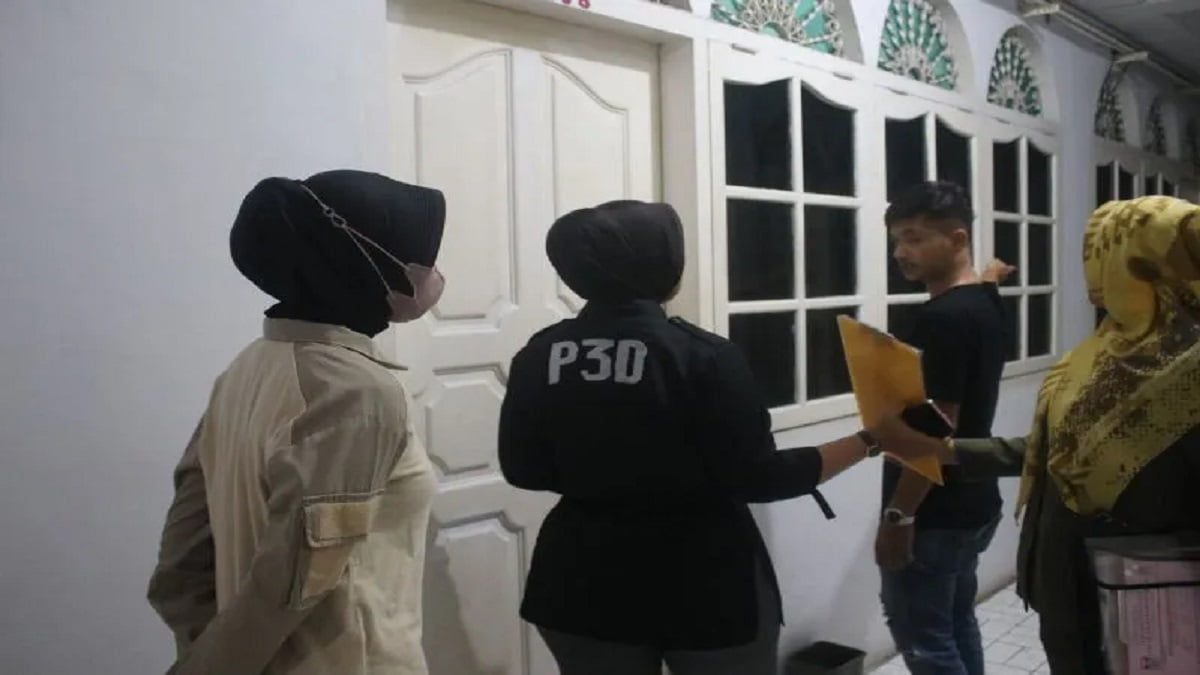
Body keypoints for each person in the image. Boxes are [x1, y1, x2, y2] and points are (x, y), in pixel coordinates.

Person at [498, 200, 947, 675]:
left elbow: (523, 470)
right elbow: (762, 477)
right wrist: (873, 438)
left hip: (579, 576)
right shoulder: (704, 356)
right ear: (661, 264)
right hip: (703, 579)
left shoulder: (539, 354)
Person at [147, 170, 446, 674]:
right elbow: (291, 582)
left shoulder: (248, 367)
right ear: (363, 264)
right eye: (424, 258)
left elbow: (182, 559)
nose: (435, 274)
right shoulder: (354, 392)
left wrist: (202, 650)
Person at [945, 196, 1200, 674]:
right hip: (1067, 591)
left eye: (1104, 261)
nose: (1092, 287)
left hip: (1152, 617)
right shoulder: (1098, 356)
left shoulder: (1190, 375)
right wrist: (952, 452)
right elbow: (1057, 451)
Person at [877, 181, 1009, 675]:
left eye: (914, 238)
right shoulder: (984, 303)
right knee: (956, 622)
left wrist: (899, 517)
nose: (900, 252)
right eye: (897, 239)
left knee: (927, 642)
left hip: (935, 509)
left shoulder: (943, 319)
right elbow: (985, 283)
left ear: (957, 240)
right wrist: (993, 275)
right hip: (974, 496)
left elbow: (936, 431)